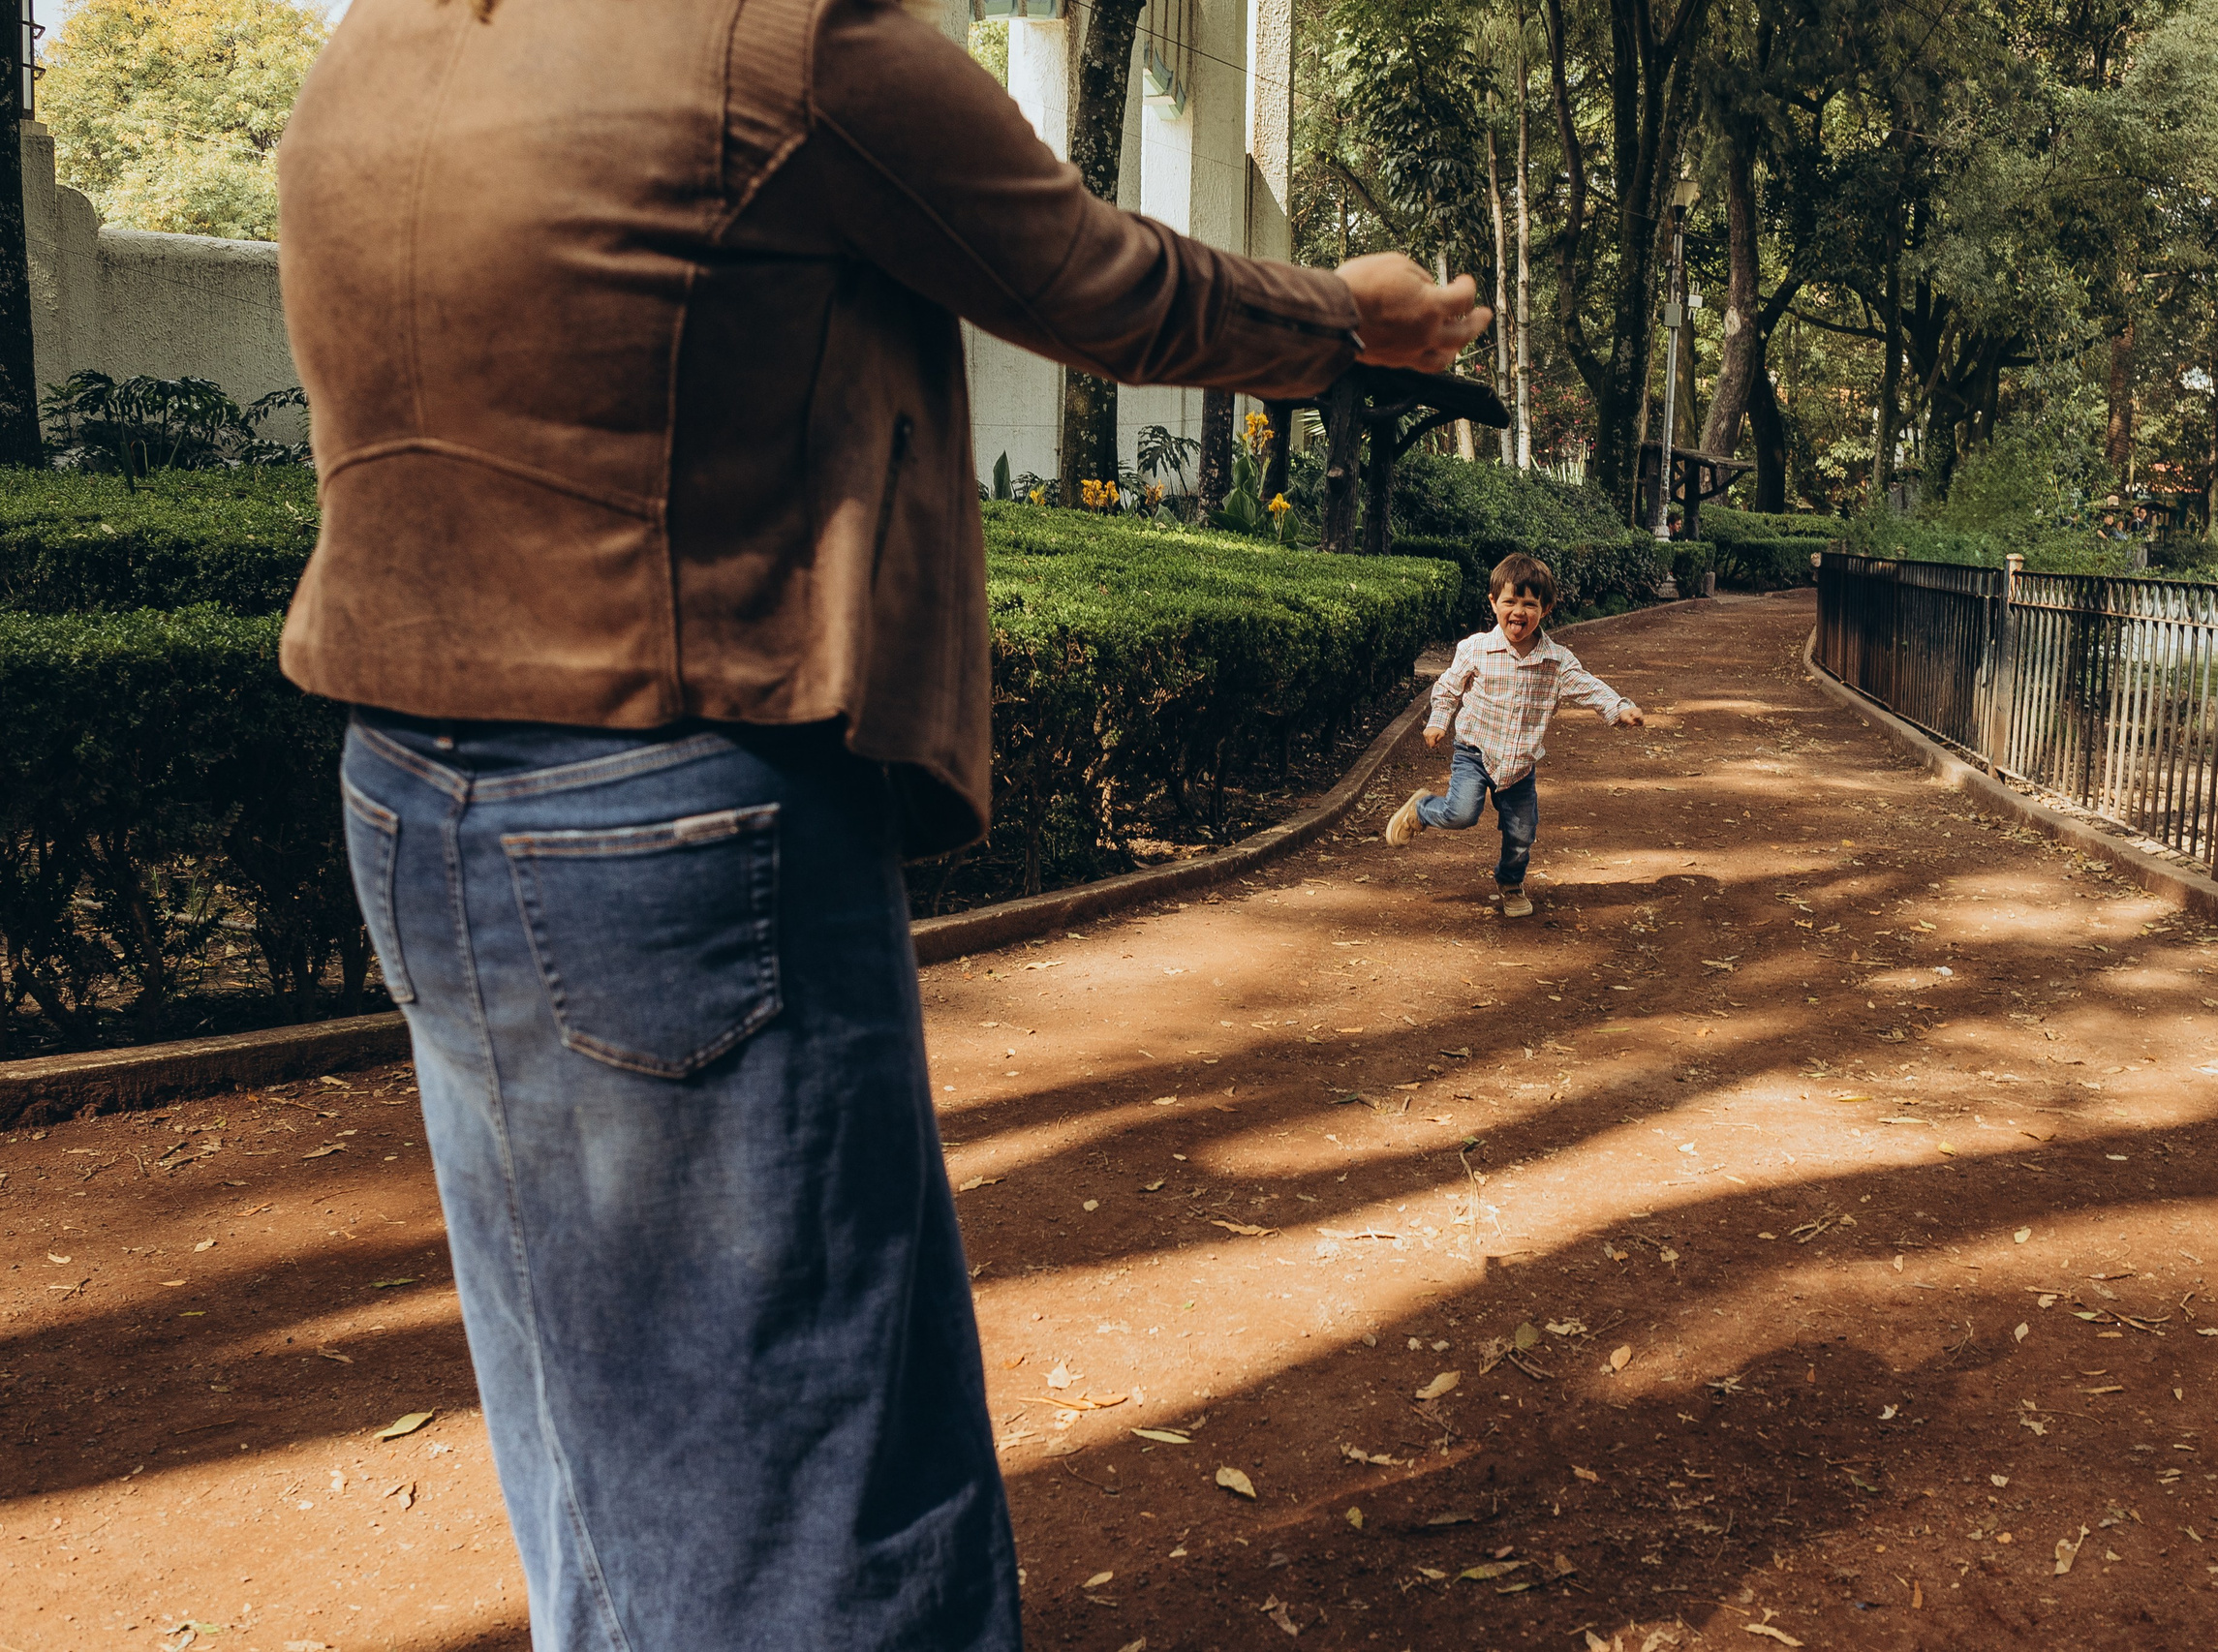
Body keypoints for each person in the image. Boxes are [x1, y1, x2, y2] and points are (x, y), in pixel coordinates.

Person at [271, 0, 1489, 1646]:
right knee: (822, 1457)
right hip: (677, 800)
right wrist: (1350, 315)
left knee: (585, 1417)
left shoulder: (382, 37)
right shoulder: (785, 37)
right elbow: (1099, 280)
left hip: (409, 795)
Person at [1384, 554, 1644, 916]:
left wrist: (1618, 707)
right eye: (1509, 601)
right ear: (1494, 603)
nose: (1518, 611)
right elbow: (1448, 687)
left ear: (1546, 608)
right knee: (1461, 814)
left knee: (1522, 833)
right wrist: (1438, 721)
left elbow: (1589, 687)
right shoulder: (1475, 649)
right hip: (1475, 752)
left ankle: (1510, 882)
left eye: (1529, 604)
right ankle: (1423, 809)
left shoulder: (1557, 661)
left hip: (1520, 764)